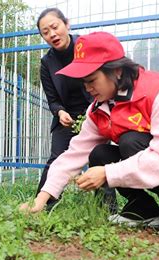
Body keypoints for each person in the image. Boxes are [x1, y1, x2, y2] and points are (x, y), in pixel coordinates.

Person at [21, 32, 159, 238]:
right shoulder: (99, 108)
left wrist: (107, 174)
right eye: (83, 82)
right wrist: (41, 199)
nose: (87, 88)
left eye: (92, 80)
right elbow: (74, 153)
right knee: (100, 153)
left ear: (118, 71)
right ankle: (142, 210)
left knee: (130, 141)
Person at [35, 8, 115, 210]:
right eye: (45, 32)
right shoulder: (47, 63)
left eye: (55, 27)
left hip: (97, 111)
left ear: (66, 24)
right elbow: (52, 99)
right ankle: (42, 205)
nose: (52, 34)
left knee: (100, 154)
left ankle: (106, 207)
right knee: (57, 158)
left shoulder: (85, 47)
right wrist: (60, 112)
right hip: (67, 117)